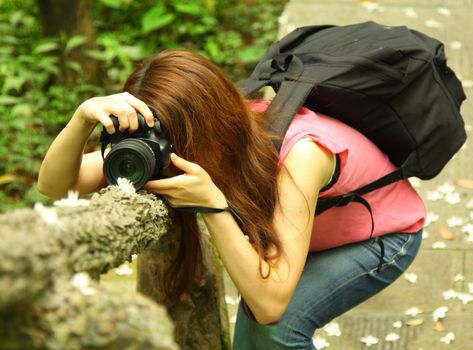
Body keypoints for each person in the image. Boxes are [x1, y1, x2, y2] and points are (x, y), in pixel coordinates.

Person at [38, 49, 426, 349]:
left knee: (273, 331)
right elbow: (56, 185)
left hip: (381, 236)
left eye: (164, 140)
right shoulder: (173, 139)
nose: (155, 152)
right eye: (147, 137)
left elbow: (270, 304)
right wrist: (82, 119)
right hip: (305, 231)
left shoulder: (302, 153)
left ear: (207, 129)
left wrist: (212, 205)